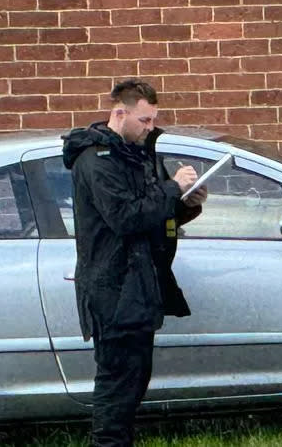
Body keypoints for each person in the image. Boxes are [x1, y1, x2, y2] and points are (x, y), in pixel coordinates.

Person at [62, 79, 208, 446]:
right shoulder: (97, 161)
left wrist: (185, 204)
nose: (149, 128)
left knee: (132, 384)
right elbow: (125, 218)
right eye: (144, 120)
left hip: (137, 288)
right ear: (119, 112)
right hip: (114, 291)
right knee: (116, 389)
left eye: (153, 120)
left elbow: (151, 217)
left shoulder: (134, 157)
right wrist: (172, 187)